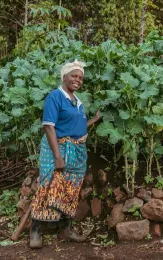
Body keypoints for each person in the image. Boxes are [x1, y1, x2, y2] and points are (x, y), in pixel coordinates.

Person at [29, 59, 101, 249]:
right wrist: (58, 157)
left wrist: (94, 119)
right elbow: (49, 127)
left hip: (76, 151)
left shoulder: (77, 102)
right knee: (48, 187)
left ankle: (66, 230)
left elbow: (77, 126)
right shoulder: (55, 97)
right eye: (74, 76)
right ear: (64, 77)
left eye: (80, 77)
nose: (78, 79)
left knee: (71, 189)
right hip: (58, 149)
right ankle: (35, 232)